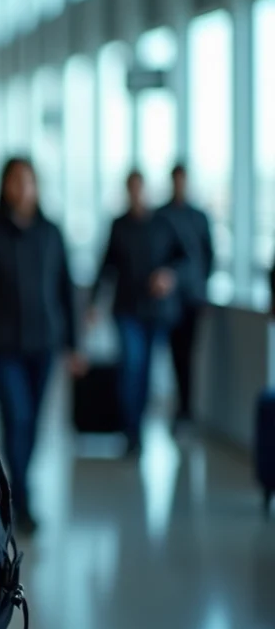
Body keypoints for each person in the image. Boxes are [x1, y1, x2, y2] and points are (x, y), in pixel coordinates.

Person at [0, 157, 82, 534]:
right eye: (14, 181)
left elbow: (66, 288)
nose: (22, 188)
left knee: (34, 423)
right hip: (1, 344)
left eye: (28, 181)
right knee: (18, 416)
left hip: (43, 343)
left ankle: (18, 487)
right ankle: (21, 499)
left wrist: (73, 344)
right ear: (4, 186)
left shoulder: (51, 232)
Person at [90, 170, 188, 453]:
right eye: (131, 189)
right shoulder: (119, 225)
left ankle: (136, 428)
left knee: (144, 371)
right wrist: (94, 305)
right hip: (126, 310)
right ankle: (130, 430)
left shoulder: (162, 223)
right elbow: (106, 266)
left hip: (155, 312)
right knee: (131, 365)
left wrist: (169, 275)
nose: (136, 194)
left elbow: (184, 258)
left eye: (139, 188)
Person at [155, 164, 213, 425]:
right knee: (174, 354)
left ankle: (187, 410)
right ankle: (179, 408)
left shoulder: (199, 216)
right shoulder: (162, 216)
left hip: (193, 297)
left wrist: (202, 287)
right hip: (169, 300)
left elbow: (208, 256)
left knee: (188, 354)